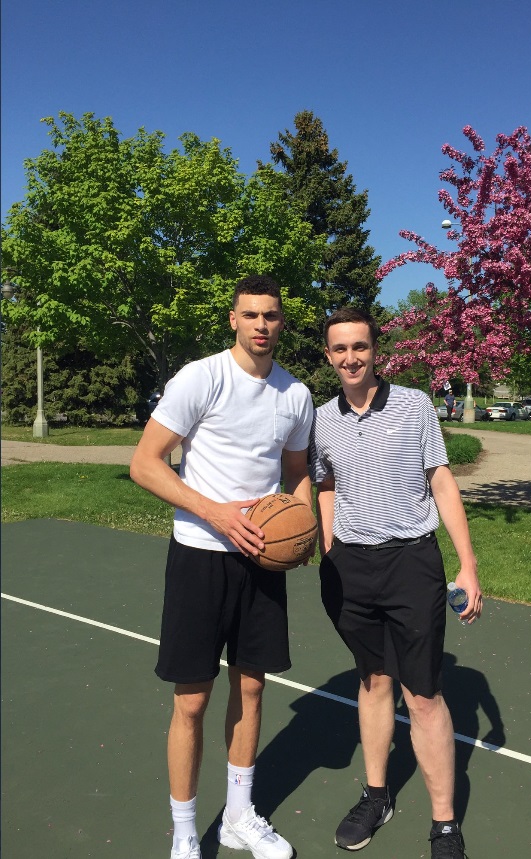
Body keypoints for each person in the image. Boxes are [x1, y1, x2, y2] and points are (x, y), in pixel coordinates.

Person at [130, 275, 313, 859]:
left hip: (262, 565)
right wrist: (216, 514)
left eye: (272, 315)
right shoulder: (201, 377)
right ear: (233, 319)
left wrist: (303, 522)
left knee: (253, 690)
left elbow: (297, 472)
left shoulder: (296, 395)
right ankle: (185, 831)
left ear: (283, 323)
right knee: (192, 700)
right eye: (251, 314)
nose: (262, 324)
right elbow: (145, 464)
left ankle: (238, 816)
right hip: (200, 557)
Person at [309, 308, 482, 859]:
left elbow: (441, 481)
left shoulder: (413, 406)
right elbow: (326, 487)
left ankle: (445, 825)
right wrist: (329, 549)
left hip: (411, 563)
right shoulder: (320, 419)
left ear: (376, 350)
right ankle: (376, 795)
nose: (351, 358)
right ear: (328, 355)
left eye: (360, 347)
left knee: (424, 696)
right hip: (350, 569)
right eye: (340, 350)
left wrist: (468, 564)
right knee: (373, 681)